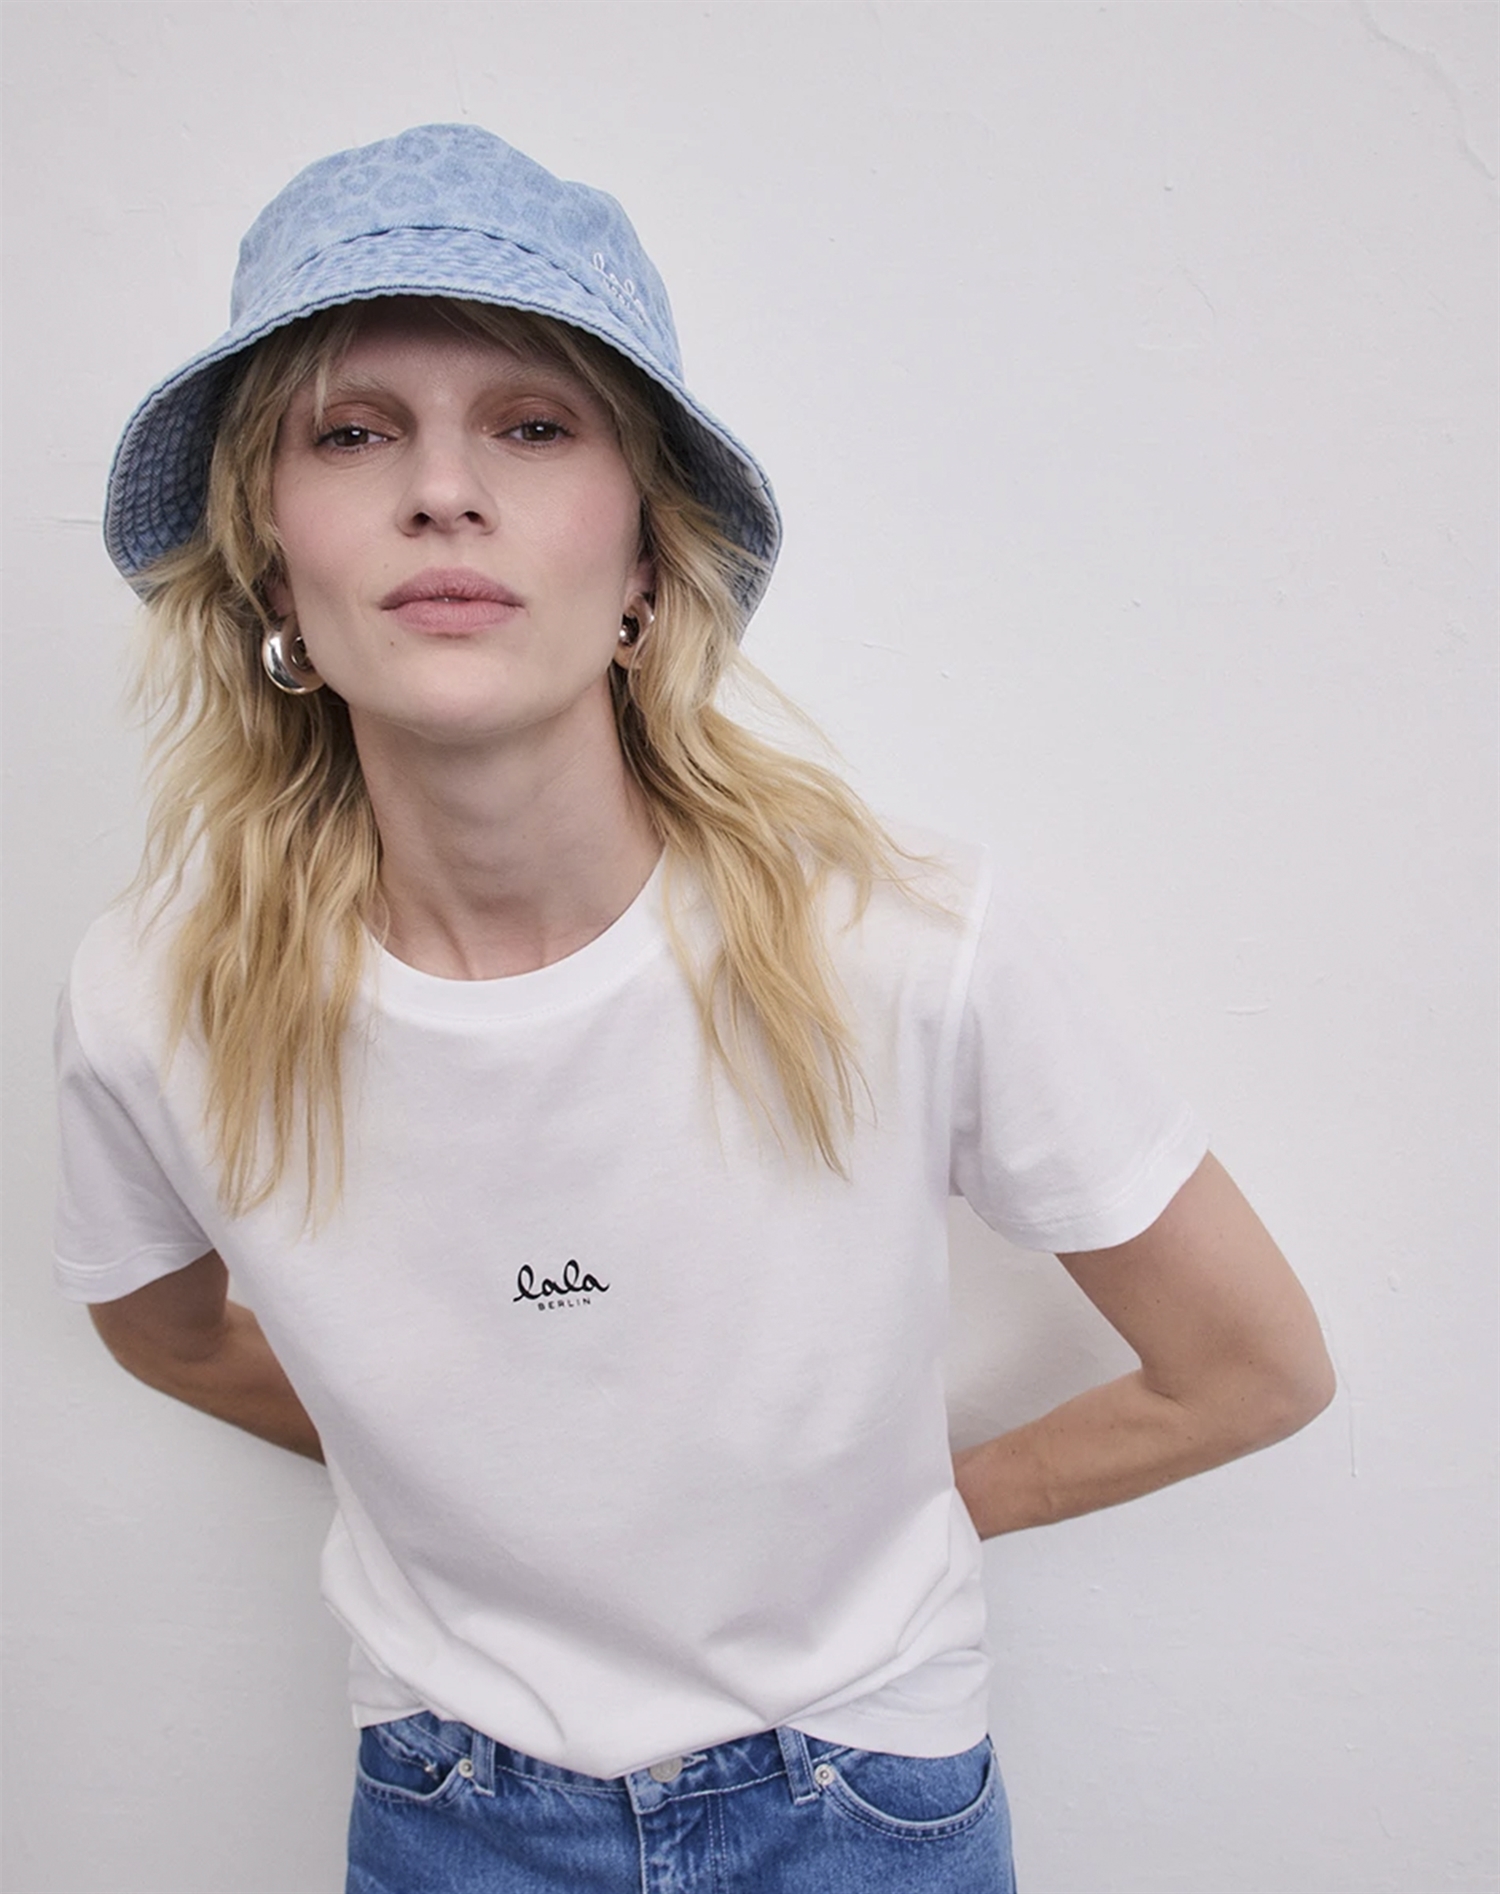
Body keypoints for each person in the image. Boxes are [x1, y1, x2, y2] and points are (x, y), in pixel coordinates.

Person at [53, 123, 1335, 1894]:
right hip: (446, 1817)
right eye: (352, 432)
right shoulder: (156, 1004)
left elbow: (1252, 1368)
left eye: (534, 425)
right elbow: (168, 1332)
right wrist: (469, 1481)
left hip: (866, 1811)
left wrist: (908, 1523)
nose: (444, 490)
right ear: (273, 568)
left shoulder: (904, 942)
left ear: (649, 561)